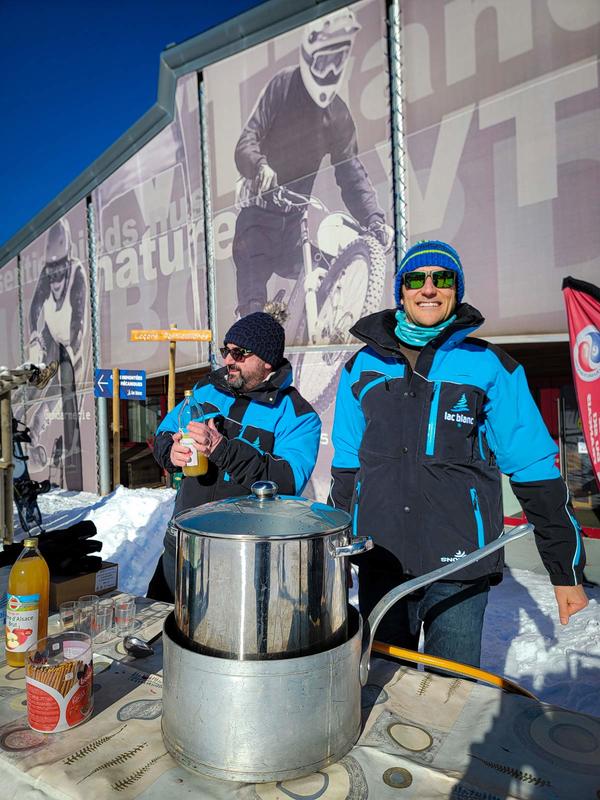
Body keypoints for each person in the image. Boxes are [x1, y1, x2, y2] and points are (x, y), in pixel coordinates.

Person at [329, 239, 588, 668]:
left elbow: (533, 469)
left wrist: (565, 571)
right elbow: (346, 466)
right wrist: (334, 558)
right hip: (381, 558)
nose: (428, 289)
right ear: (402, 291)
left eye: (442, 278)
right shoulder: (361, 368)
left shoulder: (490, 365)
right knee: (384, 685)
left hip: (460, 565)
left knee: (450, 694)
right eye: (416, 279)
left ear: (456, 289)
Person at [232, 7, 393, 320]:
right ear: (308, 57)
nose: (329, 69)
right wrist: (260, 167)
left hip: (294, 223)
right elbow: (245, 142)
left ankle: (315, 329)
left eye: (337, 61)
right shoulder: (283, 86)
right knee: (252, 306)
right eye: (323, 60)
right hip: (257, 220)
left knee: (326, 270)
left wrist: (373, 219)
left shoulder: (339, 116)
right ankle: (252, 335)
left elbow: (351, 174)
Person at [147, 311, 321, 600]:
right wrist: (171, 452)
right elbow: (165, 431)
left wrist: (222, 450)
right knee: (158, 629)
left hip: (243, 556)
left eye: (239, 353)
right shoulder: (206, 389)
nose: (228, 360)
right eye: (226, 351)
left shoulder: (299, 415)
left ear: (267, 360)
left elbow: (287, 482)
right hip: (183, 542)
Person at [27, 218, 88, 490]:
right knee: (45, 391)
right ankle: (31, 436)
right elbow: (34, 308)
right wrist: (33, 333)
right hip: (54, 340)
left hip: (73, 346)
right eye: (51, 272)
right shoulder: (47, 273)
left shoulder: (77, 274)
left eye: (58, 271)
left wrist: (73, 351)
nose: (55, 280)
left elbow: (79, 321)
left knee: (69, 397)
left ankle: (72, 450)